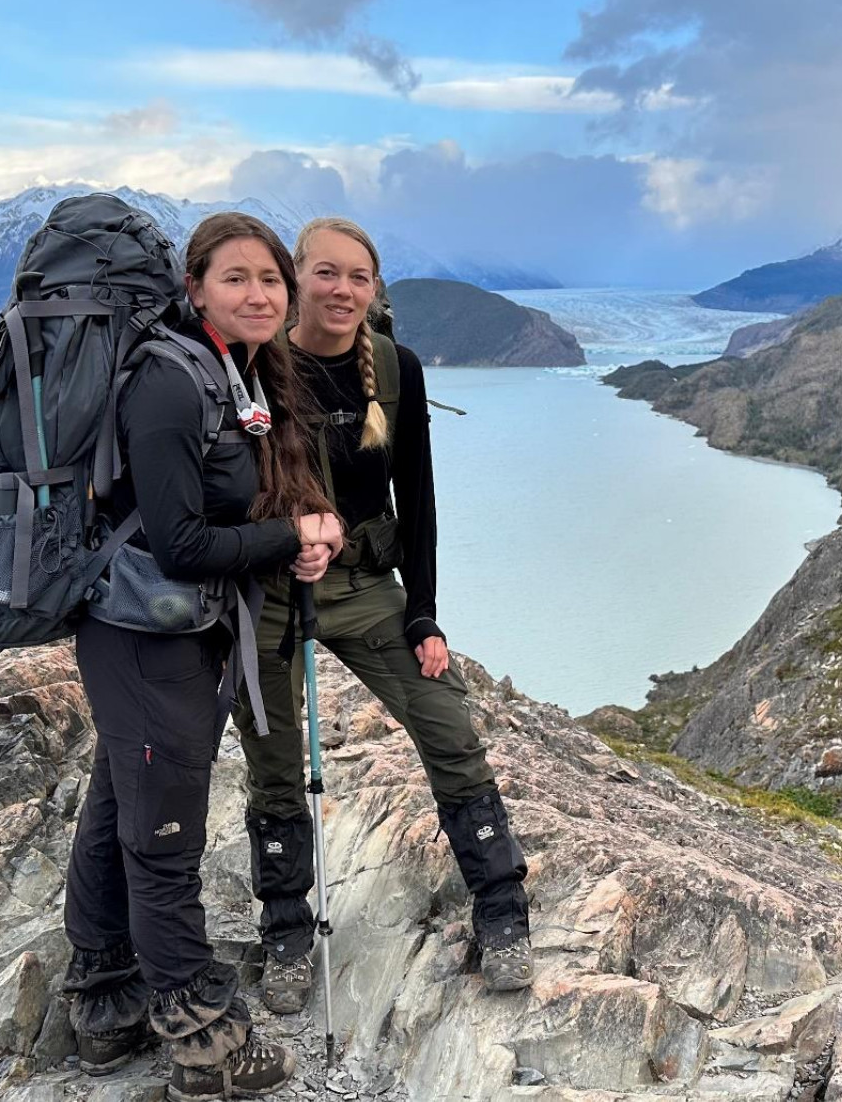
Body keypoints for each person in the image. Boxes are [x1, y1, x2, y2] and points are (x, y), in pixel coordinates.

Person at [60, 212, 343, 1099]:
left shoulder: (233, 370)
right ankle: (204, 1042)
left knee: (120, 802)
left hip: (166, 630)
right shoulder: (172, 380)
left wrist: (294, 535)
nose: (259, 294)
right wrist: (283, 536)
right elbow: (181, 542)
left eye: (270, 279)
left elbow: (218, 521)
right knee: (164, 837)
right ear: (195, 288)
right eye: (236, 278)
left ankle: (105, 1005)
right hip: (145, 636)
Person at [235, 216, 534, 1016]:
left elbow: (420, 497)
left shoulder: (394, 369)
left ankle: (503, 908)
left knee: (448, 727)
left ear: (374, 290)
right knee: (272, 763)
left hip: (368, 585)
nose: (341, 290)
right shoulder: (254, 369)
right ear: (296, 279)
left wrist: (425, 616)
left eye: (358, 278)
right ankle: (288, 927)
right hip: (269, 589)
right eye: (325, 274)